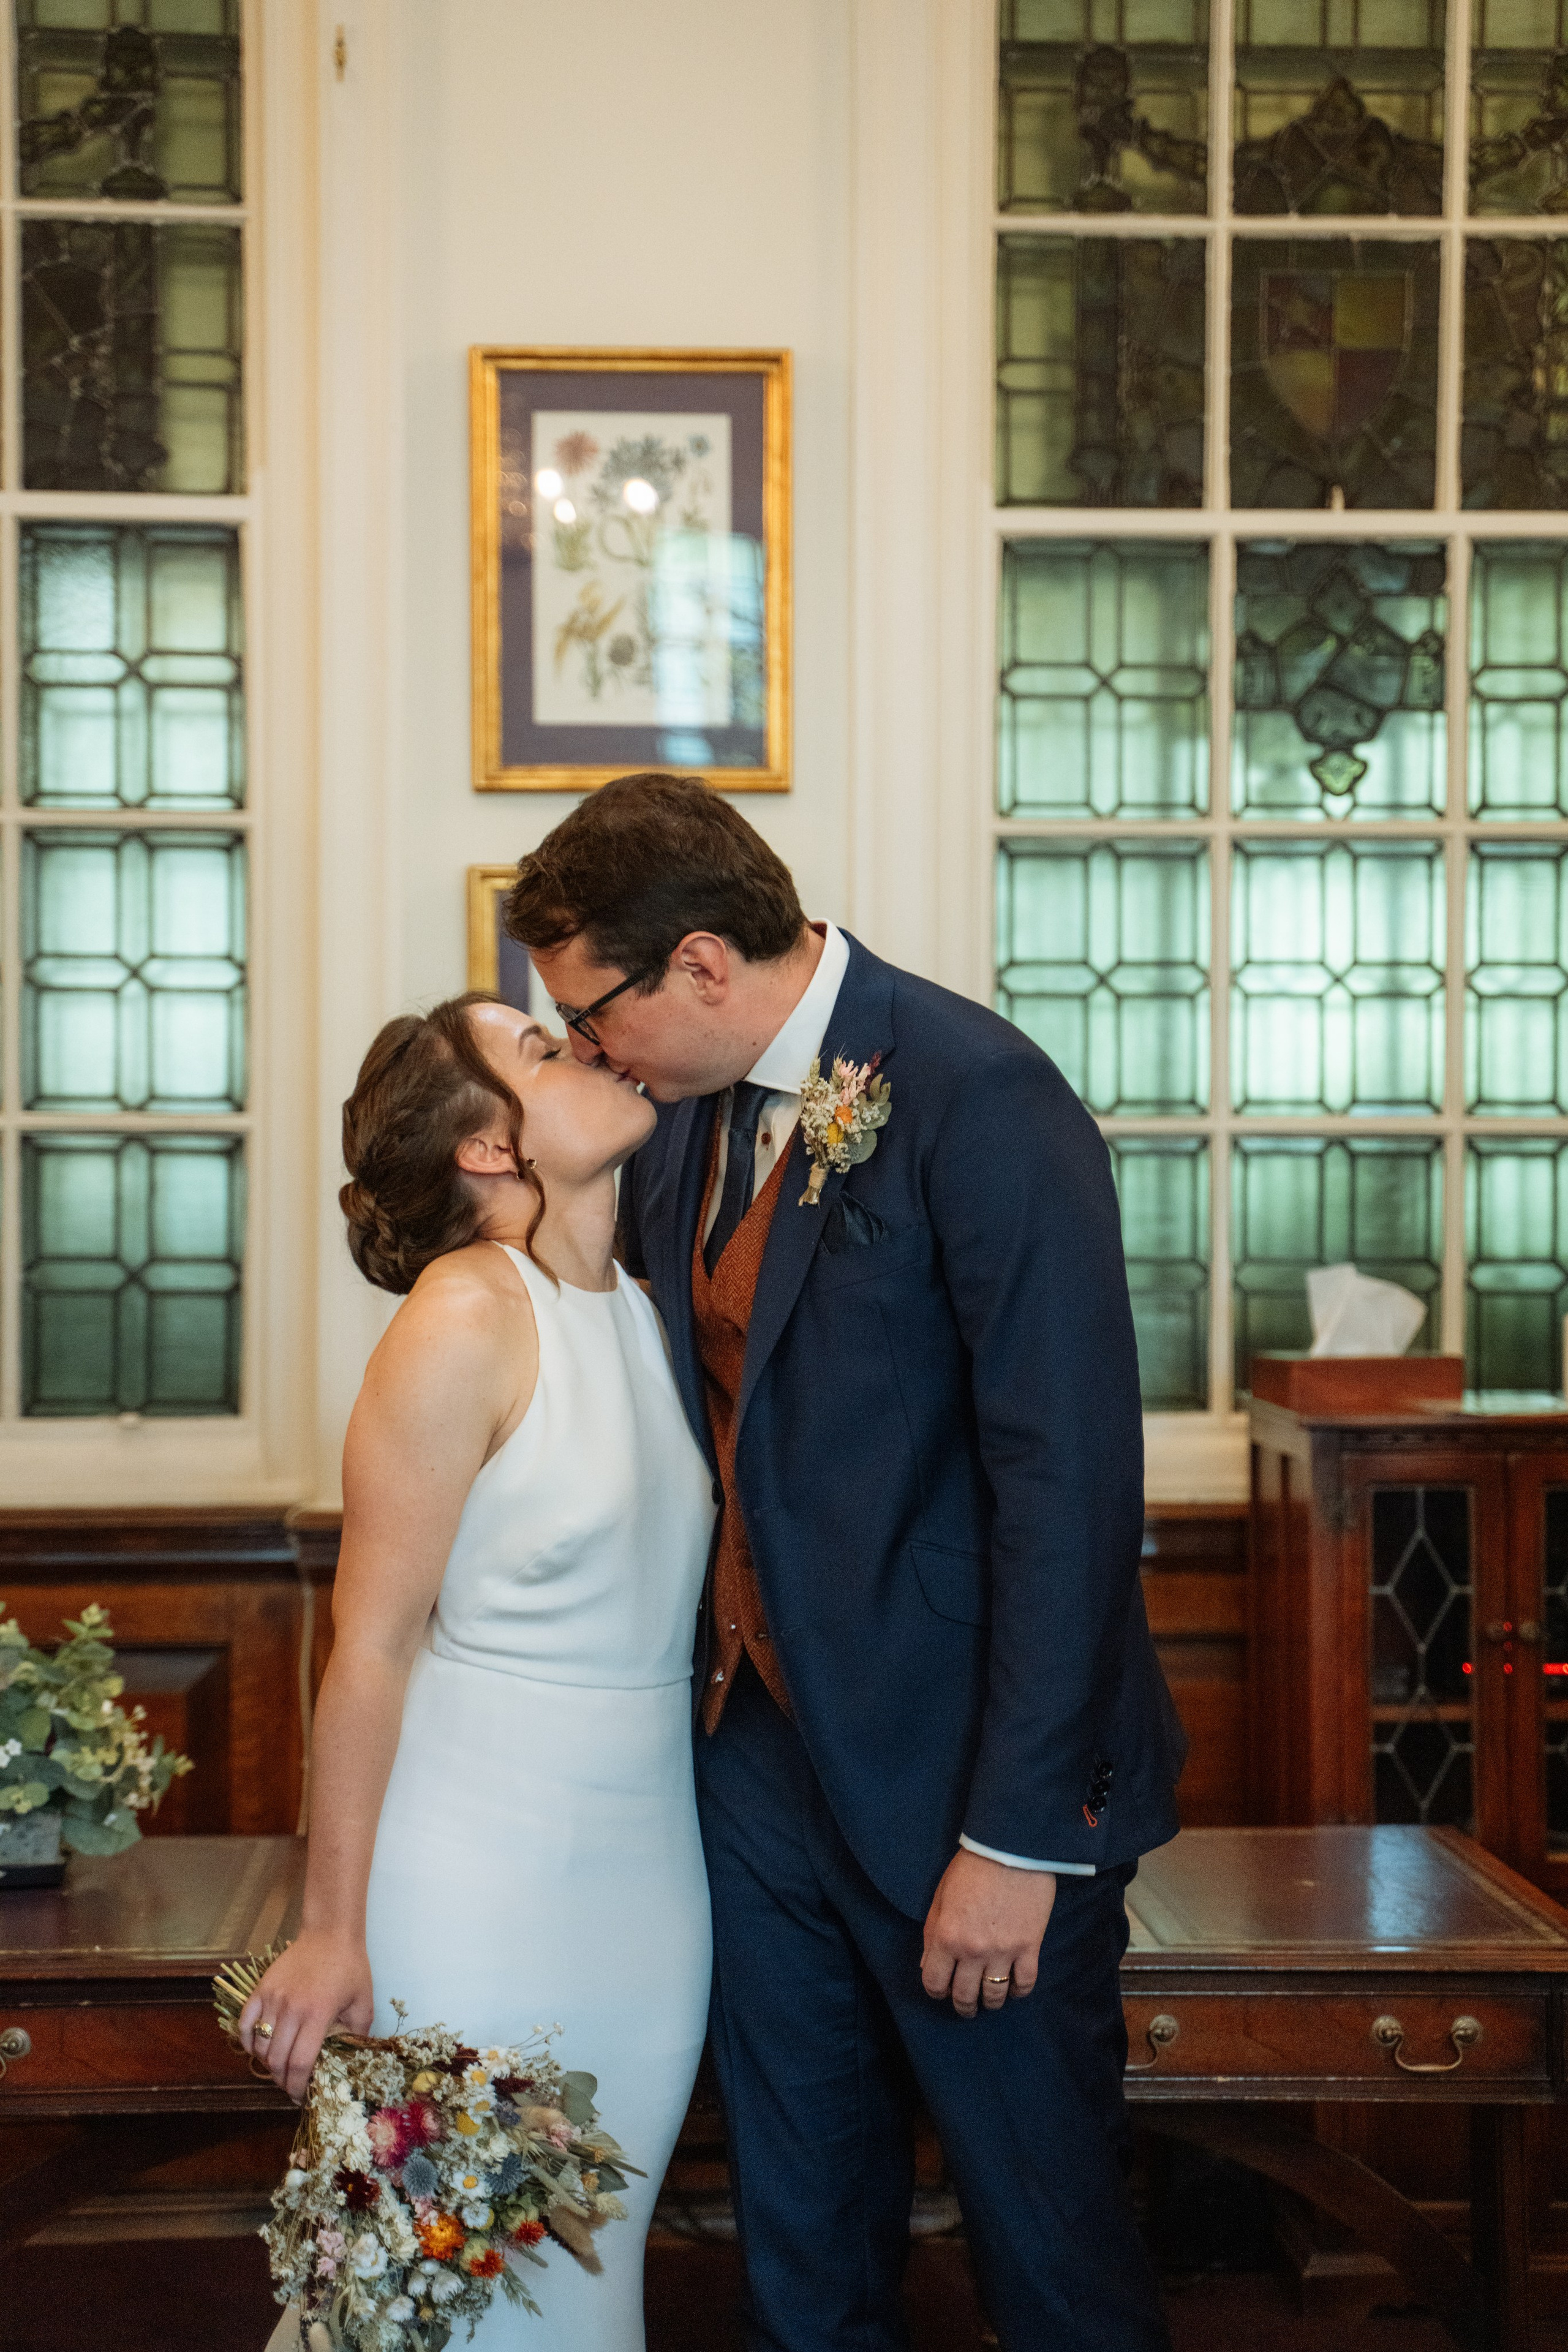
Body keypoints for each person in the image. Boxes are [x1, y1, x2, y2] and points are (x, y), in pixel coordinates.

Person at [508, 772, 1187, 2352]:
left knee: (1048, 2248)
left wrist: (1019, 1838)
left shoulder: (979, 1094)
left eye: (591, 1011)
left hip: (964, 1776)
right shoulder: (676, 1125)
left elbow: (1070, 1486)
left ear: (697, 963)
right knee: (800, 2240)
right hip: (749, 1758)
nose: (589, 1048)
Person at [239, 991, 715, 2351]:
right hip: (474, 1879)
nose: (588, 1048)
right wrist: (333, 1929)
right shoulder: (460, 1316)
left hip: (647, 1888)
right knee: (443, 2298)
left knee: (587, 2290)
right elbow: (371, 1647)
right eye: (543, 1050)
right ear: (489, 1148)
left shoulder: (646, 1313)